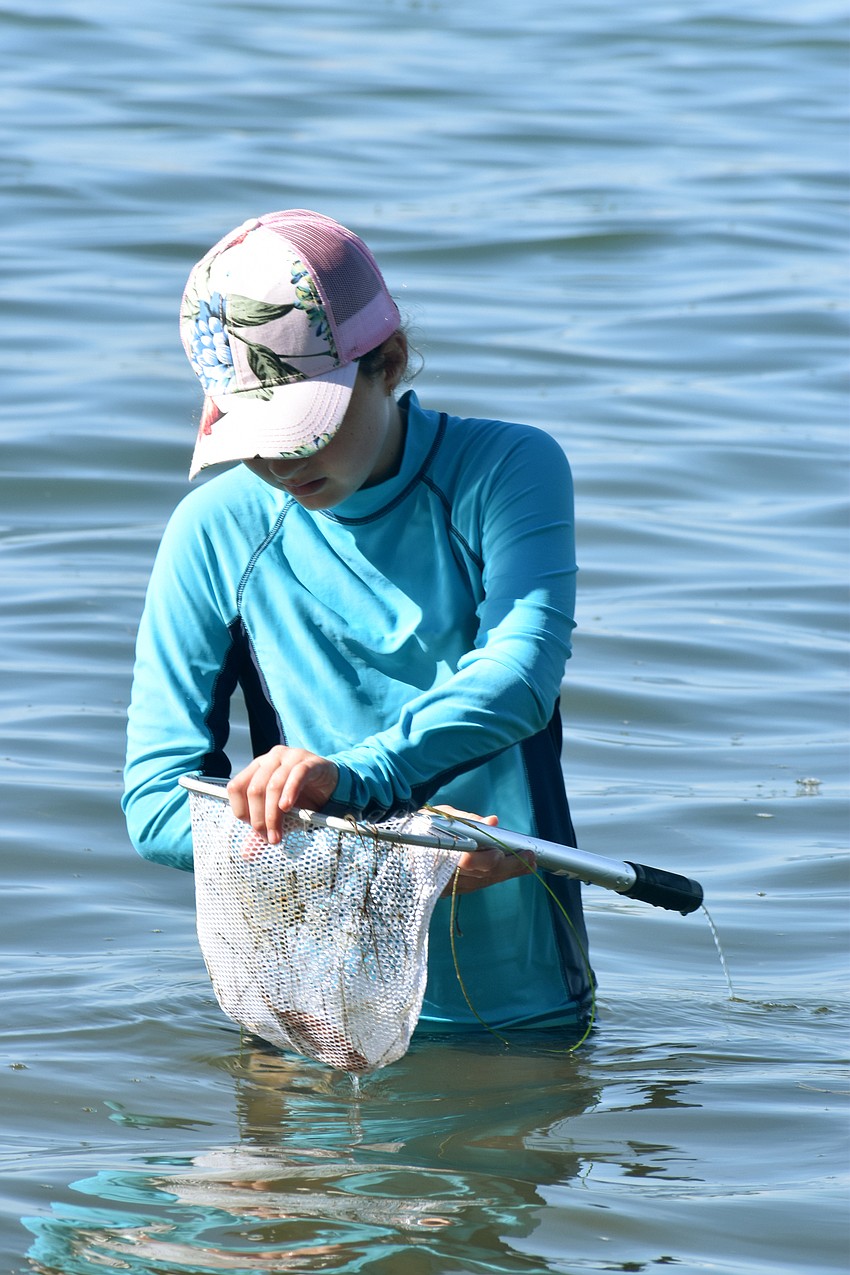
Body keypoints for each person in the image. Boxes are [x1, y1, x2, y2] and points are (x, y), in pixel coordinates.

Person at [123, 209, 594, 1033]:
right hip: (300, 1018)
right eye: (253, 432)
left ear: (391, 363)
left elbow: (520, 680)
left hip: (522, 1015)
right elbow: (157, 805)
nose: (278, 461)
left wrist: (353, 785)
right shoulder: (211, 531)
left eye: (306, 424)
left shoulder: (509, 469)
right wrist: (394, 859)